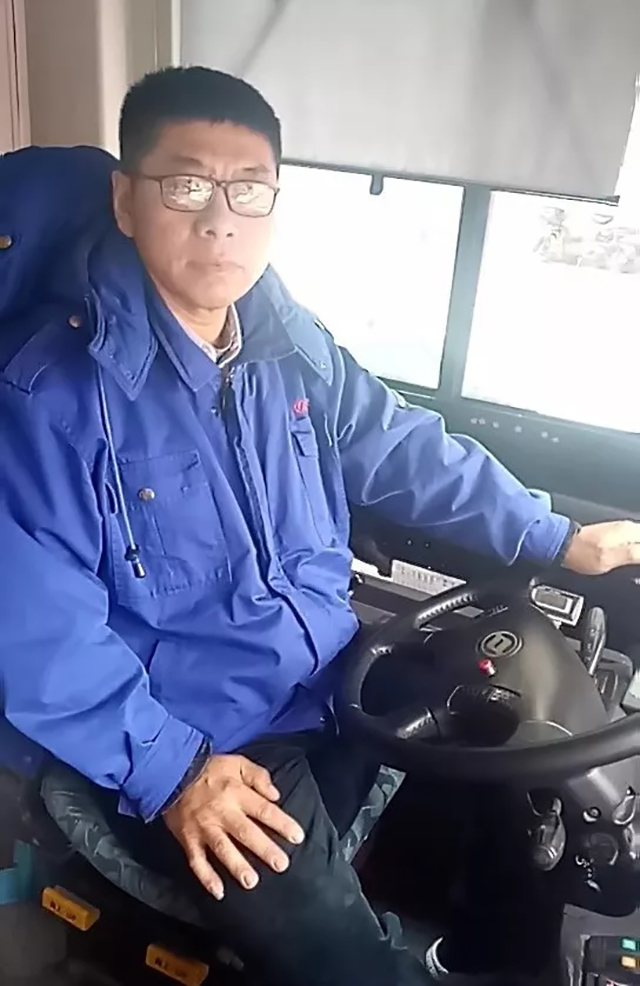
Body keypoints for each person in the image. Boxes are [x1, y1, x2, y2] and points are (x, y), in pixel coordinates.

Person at [1, 67, 640, 986]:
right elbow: (39, 635)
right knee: (346, 963)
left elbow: (395, 443)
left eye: (249, 190)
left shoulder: (282, 338)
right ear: (127, 201)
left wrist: (553, 536)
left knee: (518, 753)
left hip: (331, 675)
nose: (219, 220)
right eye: (185, 186)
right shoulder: (49, 399)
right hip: (202, 736)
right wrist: (178, 773)